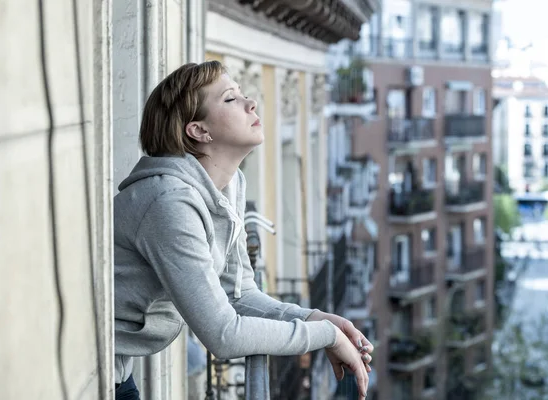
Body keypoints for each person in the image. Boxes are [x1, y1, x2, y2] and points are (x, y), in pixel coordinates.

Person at [114, 61, 373, 400]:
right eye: (230, 99)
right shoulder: (169, 202)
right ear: (198, 131)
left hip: (119, 368)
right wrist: (326, 336)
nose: (250, 103)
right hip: (89, 369)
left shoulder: (229, 184)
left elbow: (238, 295)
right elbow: (224, 334)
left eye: (243, 94)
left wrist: (313, 317)